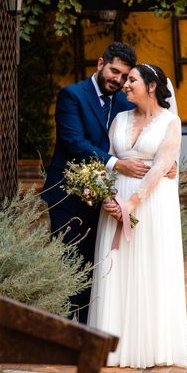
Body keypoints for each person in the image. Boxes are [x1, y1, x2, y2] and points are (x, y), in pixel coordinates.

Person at [88, 63, 187, 368]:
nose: (125, 84)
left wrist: (131, 203)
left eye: (132, 80)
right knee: (115, 268)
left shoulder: (171, 122)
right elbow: (106, 156)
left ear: (151, 86)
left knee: (148, 266)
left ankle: (149, 345)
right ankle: (112, 343)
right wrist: (107, 196)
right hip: (115, 202)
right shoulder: (119, 118)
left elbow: (161, 166)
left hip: (150, 205)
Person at [42, 42, 150, 324]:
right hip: (68, 195)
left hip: (105, 198)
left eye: (125, 76)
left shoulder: (126, 102)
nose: (118, 79)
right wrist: (118, 164)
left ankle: (89, 327)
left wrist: (164, 164)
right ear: (101, 63)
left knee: (97, 263)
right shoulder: (72, 95)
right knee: (68, 260)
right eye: (114, 71)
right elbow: (74, 142)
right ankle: (65, 327)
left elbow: (141, 135)